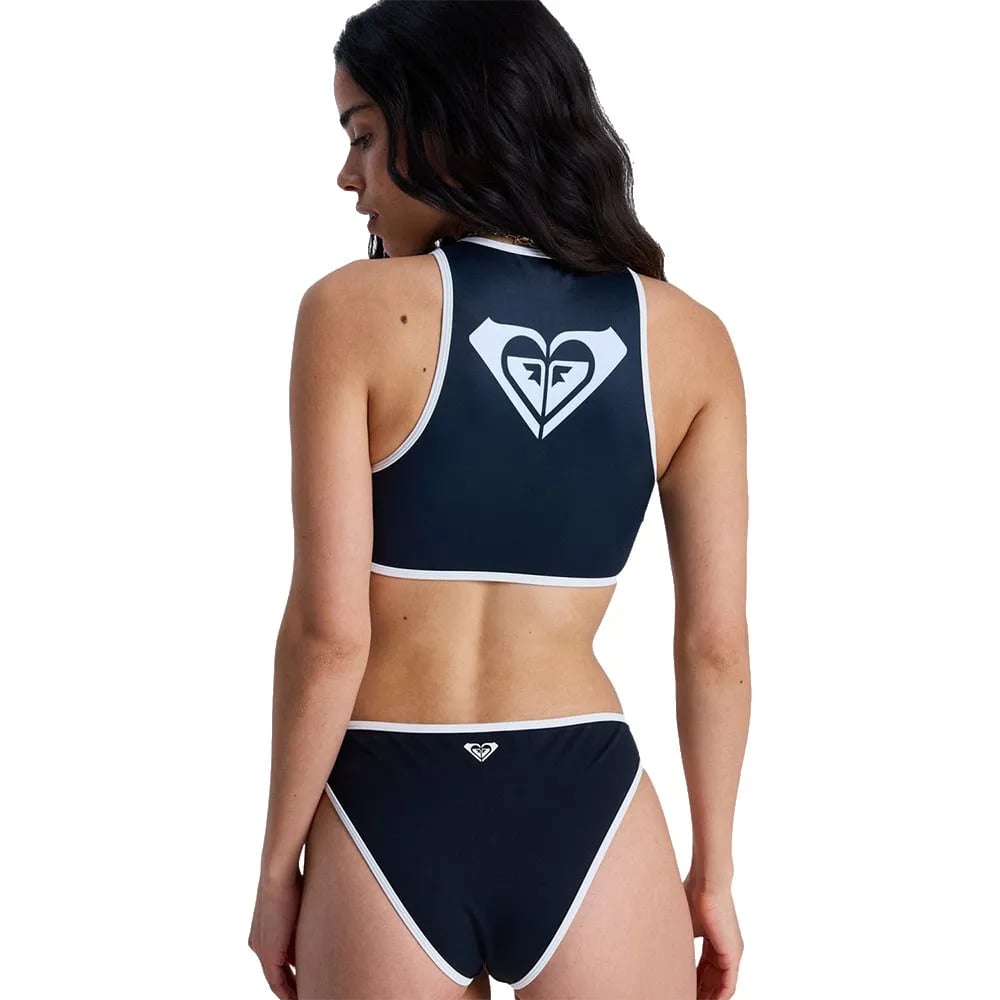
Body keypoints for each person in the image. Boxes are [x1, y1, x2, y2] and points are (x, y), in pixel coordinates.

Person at [248, 2, 750, 998]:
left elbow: (329, 634)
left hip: (387, 800)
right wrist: (714, 874)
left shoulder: (350, 314)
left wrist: (275, 870)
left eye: (363, 135)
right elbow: (715, 645)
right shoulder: (690, 337)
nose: (347, 175)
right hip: (590, 803)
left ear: (445, 127)